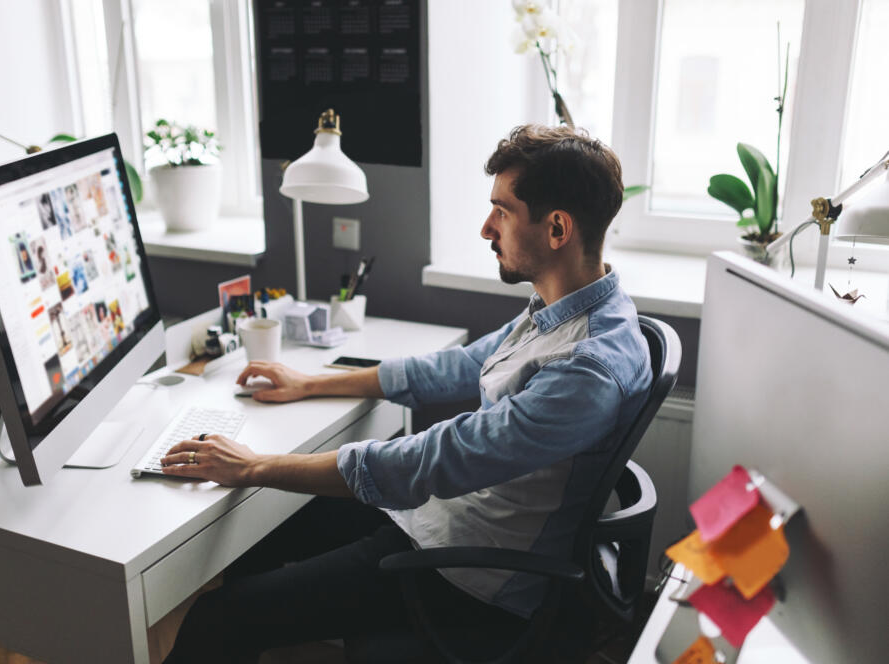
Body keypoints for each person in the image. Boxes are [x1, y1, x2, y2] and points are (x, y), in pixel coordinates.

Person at [160, 124, 653, 663]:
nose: (487, 228)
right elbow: (460, 366)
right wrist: (312, 384)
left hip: (466, 575)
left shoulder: (586, 367)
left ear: (557, 228)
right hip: (439, 519)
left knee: (217, 617)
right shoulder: (572, 307)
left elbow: (435, 458)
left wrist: (257, 467)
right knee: (258, 537)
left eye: (503, 211)